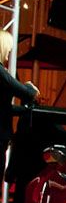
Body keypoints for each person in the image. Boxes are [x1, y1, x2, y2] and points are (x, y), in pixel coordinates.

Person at [0, 29, 40, 173]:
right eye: (9, 48)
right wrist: (29, 85)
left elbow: (4, 108)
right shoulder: (1, 73)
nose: (9, 51)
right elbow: (27, 93)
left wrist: (26, 110)